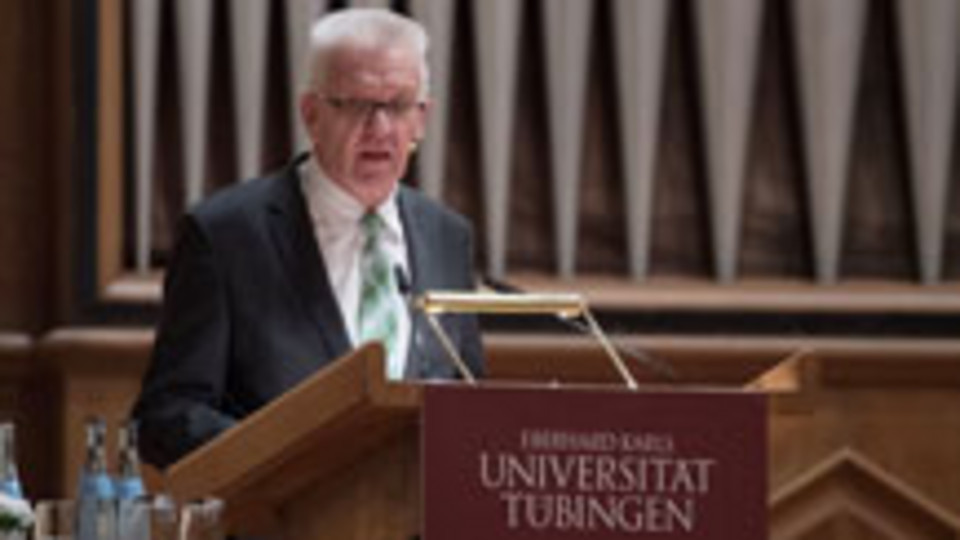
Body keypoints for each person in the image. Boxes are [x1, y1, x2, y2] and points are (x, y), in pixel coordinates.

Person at [133, 8, 484, 469]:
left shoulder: (447, 236)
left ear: (421, 118)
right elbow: (166, 418)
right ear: (311, 113)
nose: (379, 128)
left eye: (397, 106)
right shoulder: (225, 236)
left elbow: (468, 398)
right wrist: (290, 458)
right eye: (357, 104)